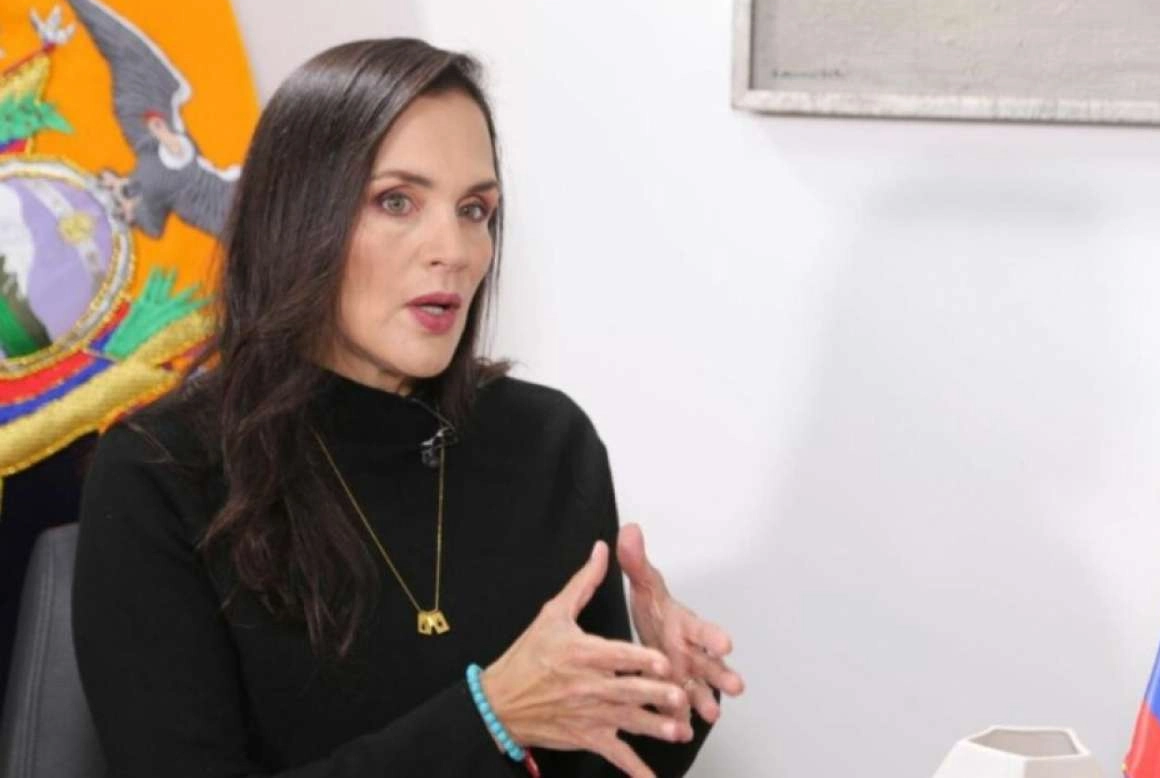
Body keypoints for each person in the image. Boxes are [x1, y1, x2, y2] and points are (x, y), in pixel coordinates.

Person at [73, 38, 744, 778]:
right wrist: (487, 718)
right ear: (296, 217)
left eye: (475, 209)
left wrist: (667, 704)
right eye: (397, 201)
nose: (453, 249)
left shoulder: (549, 442)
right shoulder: (161, 470)